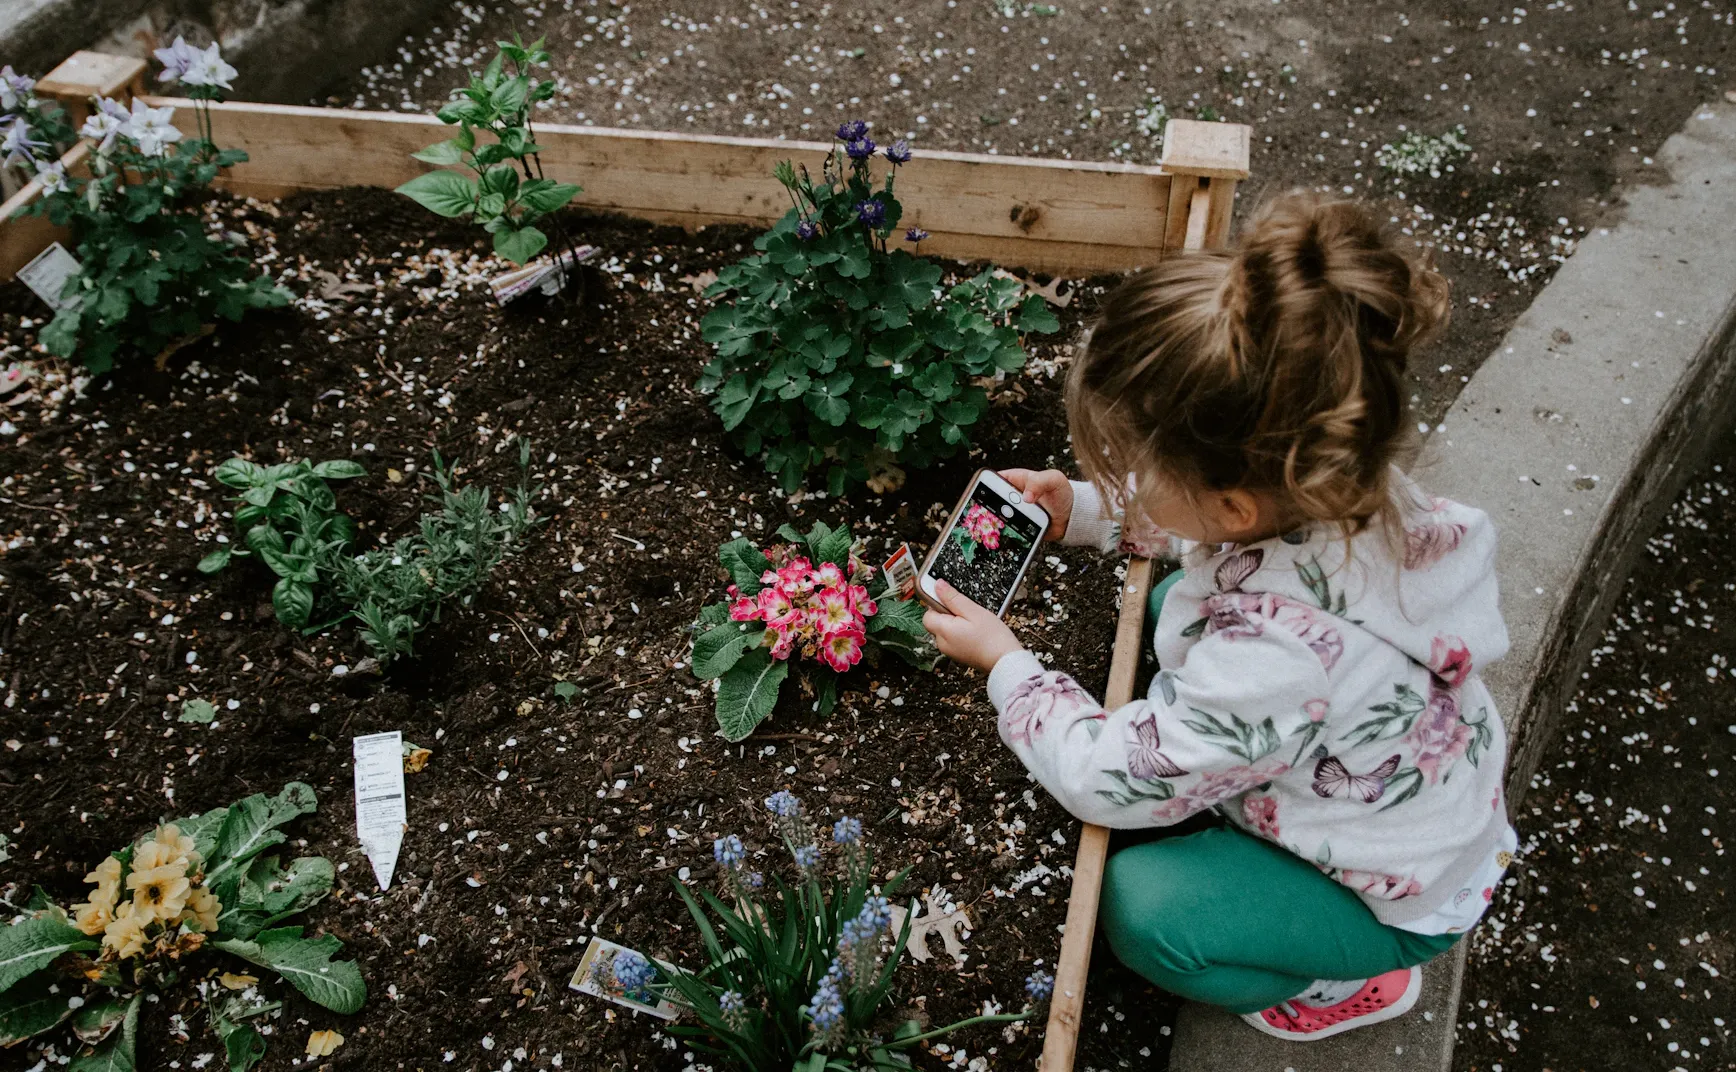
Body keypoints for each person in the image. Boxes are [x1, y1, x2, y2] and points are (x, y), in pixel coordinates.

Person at [922, 193, 1515, 1042]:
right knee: (1173, 603)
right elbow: (1215, 532)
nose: (1121, 471)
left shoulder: (1274, 660)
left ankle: (1336, 982)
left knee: (1143, 909)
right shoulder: (1347, 485)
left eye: (1132, 464)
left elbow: (1108, 780)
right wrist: (1086, 511)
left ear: (1234, 503)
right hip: (1405, 797)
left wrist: (1009, 665)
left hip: (1386, 892)